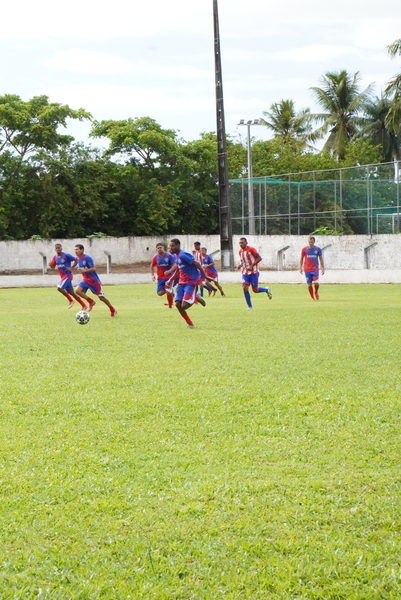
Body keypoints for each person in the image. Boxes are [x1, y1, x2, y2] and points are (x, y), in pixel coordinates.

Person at [167, 238, 207, 328]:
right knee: (178, 304)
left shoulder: (183, 255)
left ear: (178, 246)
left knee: (184, 305)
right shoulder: (176, 256)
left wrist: (204, 276)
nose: (170, 248)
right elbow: (179, 269)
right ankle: (190, 324)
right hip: (181, 283)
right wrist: (170, 279)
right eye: (170, 246)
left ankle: (196, 298)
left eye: (172, 246)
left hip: (190, 282)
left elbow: (197, 263)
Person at [74, 244, 117, 317]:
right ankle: (91, 301)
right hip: (85, 280)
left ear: (82, 250)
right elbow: (75, 261)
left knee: (101, 298)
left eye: (77, 249)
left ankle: (112, 309)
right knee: (77, 291)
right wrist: (71, 268)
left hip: (93, 281)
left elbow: (94, 268)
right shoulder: (77, 258)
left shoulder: (87, 258)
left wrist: (84, 271)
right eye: (75, 250)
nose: (75, 251)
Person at [48, 243, 88, 310]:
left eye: (59, 248)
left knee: (59, 287)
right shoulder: (55, 257)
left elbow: (76, 259)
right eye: (56, 248)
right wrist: (50, 265)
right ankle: (84, 305)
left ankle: (70, 300)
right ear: (55, 249)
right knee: (72, 292)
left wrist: (72, 268)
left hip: (68, 276)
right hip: (63, 277)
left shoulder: (66, 255)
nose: (58, 249)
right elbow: (53, 266)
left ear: (61, 248)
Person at [237, 237, 272, 310]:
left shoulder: (251, 249)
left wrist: (251, 266)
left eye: (242, 243)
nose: (241, 244)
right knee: (245, 288)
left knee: (255, 290)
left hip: (254, 272)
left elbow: (259, 258)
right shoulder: (240, 252)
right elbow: (243, 261)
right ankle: (250, 307)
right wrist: (240, 265)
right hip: (245, 273)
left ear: (246, 243)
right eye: (240, 243)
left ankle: (266, 290)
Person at [150, 243, 176, 308]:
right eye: (158, 248)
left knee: (167, 290)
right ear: (156, 249)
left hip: (169, 276)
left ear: (163, 248)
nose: (159, 249)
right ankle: (170, 292)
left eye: (160, 247)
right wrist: (152, 275)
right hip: (160, 277)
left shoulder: (169, 256)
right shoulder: (155, 257)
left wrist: (169, 271)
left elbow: (174, 265)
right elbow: (152, 266)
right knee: (159, 293)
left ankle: (170, 306)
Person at [300, 235, 325, 300]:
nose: (310, 244)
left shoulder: (318, 249)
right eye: (309, 242)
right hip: (307, 269)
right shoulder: (304, 249)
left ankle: (316, 292)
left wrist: (323, 268)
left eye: (312, 242)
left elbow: (321, 259)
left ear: (314, 242)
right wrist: (300, 267)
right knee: (309, 284)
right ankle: (312, 297)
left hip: (315, 269)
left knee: (316, 283)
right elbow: (301, 258)